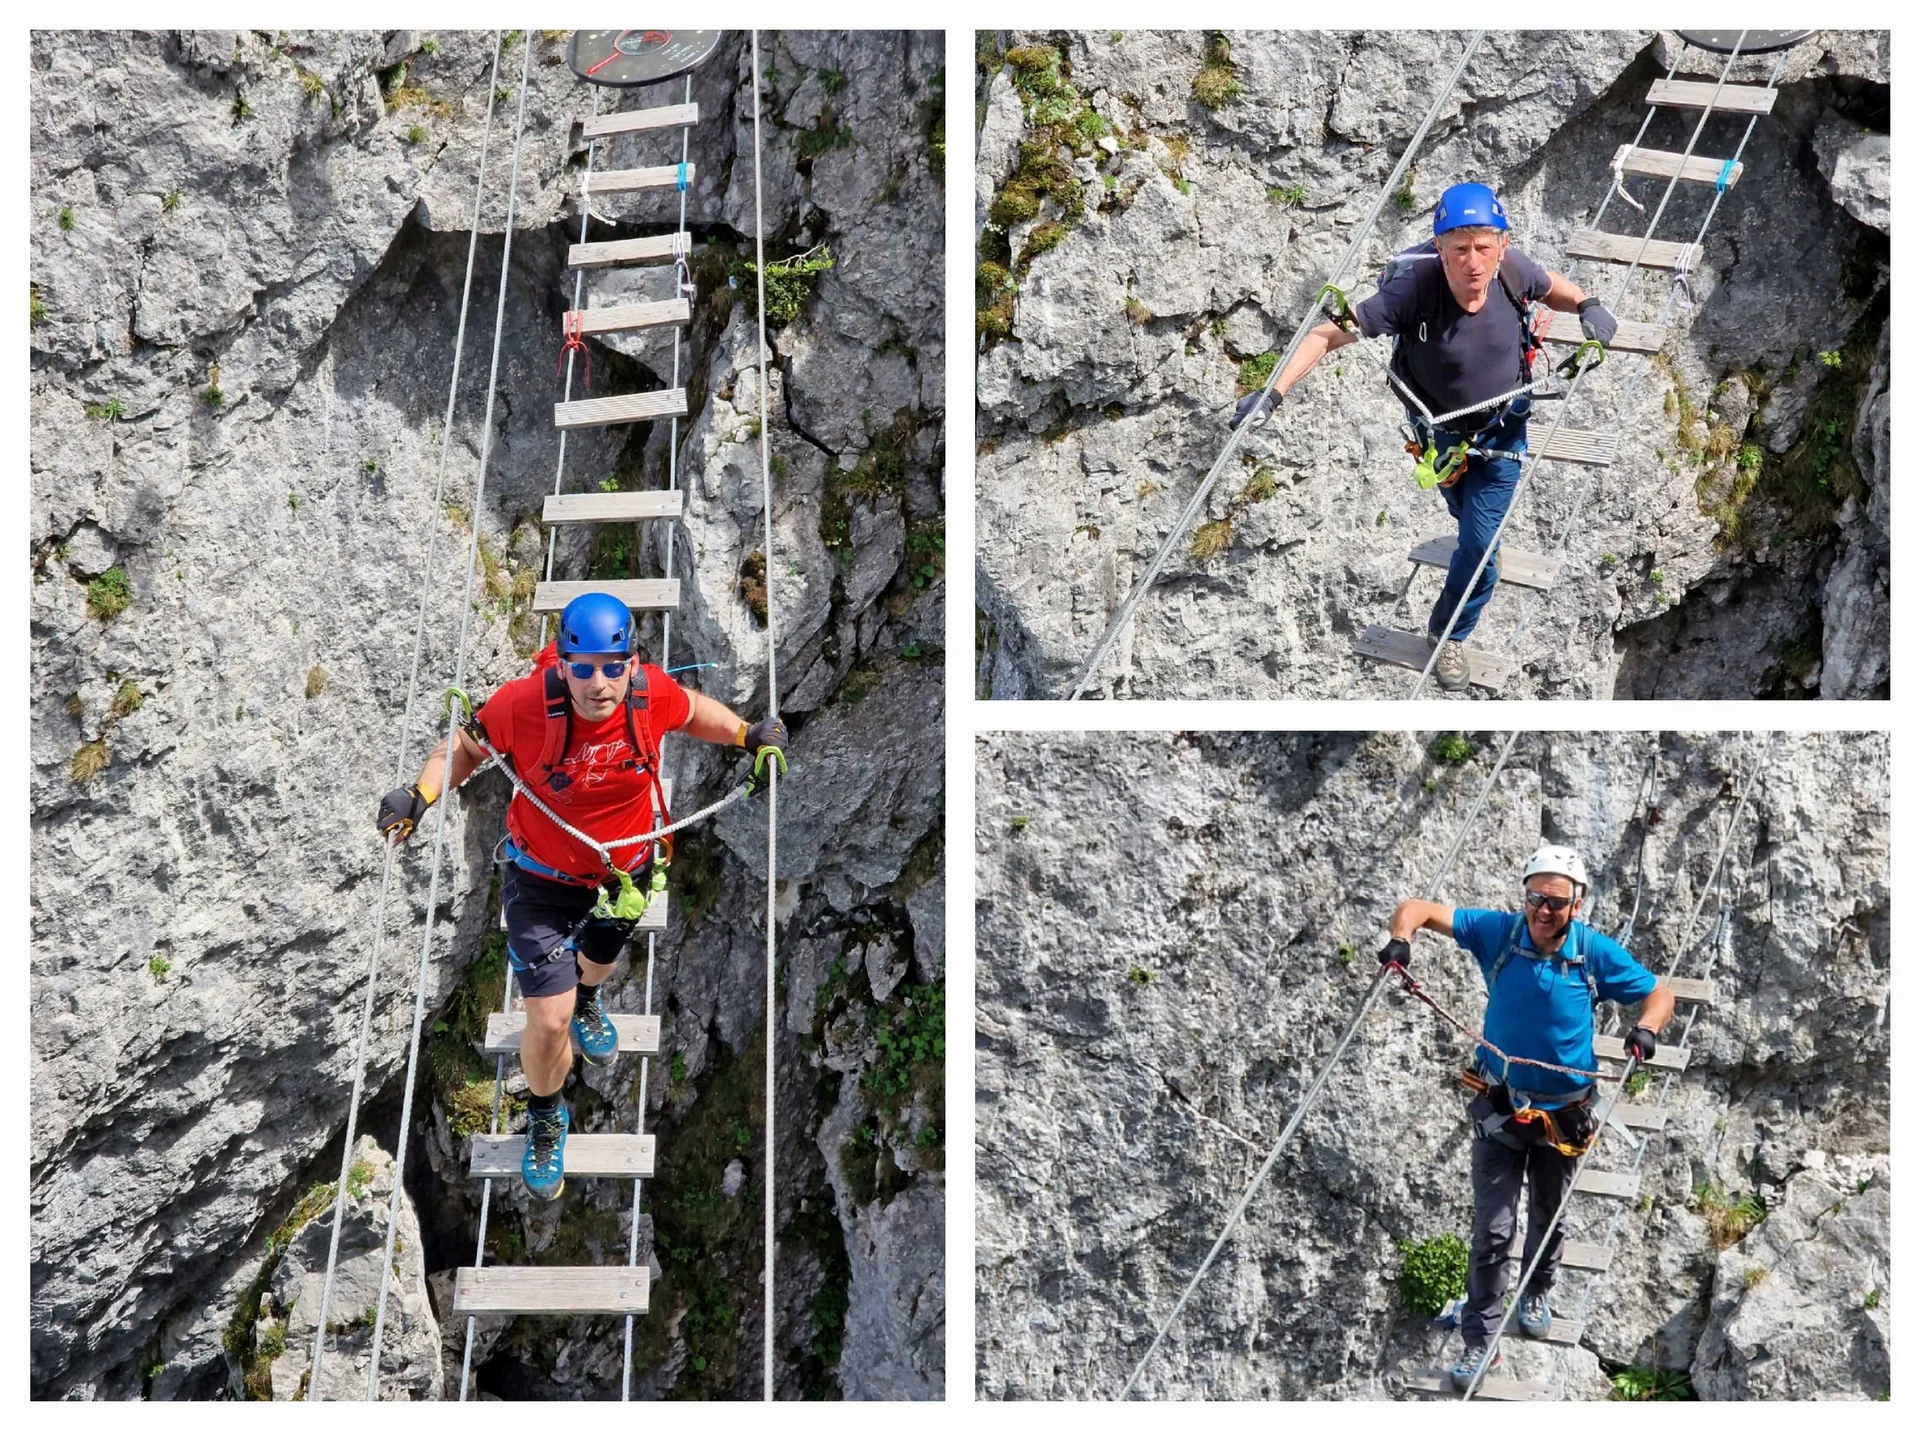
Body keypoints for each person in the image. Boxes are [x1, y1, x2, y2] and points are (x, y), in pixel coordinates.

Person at [375, 591, 789, 1201]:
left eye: (613, 666)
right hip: (541, 878)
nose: (600, 682)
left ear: (632, 662)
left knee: (599, 958)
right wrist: (421, 795)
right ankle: (547, 1114)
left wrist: (746, 734)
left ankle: (591, 996)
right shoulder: (524, 705)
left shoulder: (648, 695)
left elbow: (693, 709)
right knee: (548, 1021)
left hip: (623, 872)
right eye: (585, 667)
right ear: (562, 664)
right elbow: (464, 748)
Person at [1235, 182, 1620, 690]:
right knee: (1465, 517)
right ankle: (1474, 545)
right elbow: (1329, 333)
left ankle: (1449, 634)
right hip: (1437, 436)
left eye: (1484, 247)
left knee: (1480, 545)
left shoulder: (1512, 270)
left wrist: (1589, 305)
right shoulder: (1413, 289)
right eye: (1459, 249)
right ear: (1439, 250)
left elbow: (1554, 287)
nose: (1473, 262)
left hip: (1503, 429)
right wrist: (1274, 391)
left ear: (1502, 245)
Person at [1377, 844, 1673, 1389]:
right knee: (1491, 1233)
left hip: (1564, 1118)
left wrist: (1646, 1029)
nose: (1543, 910)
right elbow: (1417, 907)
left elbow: (1660, 992)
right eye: (1536, 898)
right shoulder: (1500, 934)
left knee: (1548, 1218)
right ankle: (1478, 1342)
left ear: (1576, 905)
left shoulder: (1593, 954)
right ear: (1526, 896)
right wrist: (1401, 939)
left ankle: (1537, 1288)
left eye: (1556, 902)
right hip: (1500, 1108)